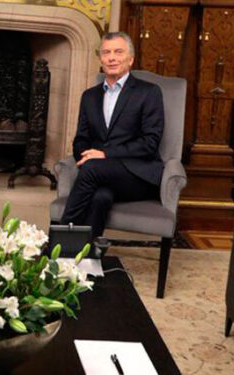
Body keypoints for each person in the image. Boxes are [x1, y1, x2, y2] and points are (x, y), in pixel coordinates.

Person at [60, 32, 165, 239]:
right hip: (101, 174)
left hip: (138, 174)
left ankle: (58, 243)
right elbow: (81, 138)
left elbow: (150, 142)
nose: (111, 58)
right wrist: (86, 154)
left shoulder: (149, 92)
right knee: (100, 197)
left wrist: (104, 154)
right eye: (106, 52)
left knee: (91, 169)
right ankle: (87, 258)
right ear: (100, 59)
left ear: (130, 59)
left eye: (118, 52)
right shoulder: (89, 96)